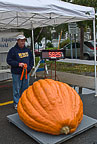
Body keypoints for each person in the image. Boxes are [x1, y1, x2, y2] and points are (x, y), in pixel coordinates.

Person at [7, 34, 34, 110]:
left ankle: (24, 102)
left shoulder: (28, 50)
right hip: (16, 73)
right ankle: (16, 103)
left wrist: (29, 68)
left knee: (25, 89)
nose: (23, 42)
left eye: (24, 41)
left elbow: (31, 61)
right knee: (16, 89)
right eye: (21, 40)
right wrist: (18, 64)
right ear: (17, 41)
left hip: (26, 73)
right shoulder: (13, 50)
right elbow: (9, 60)